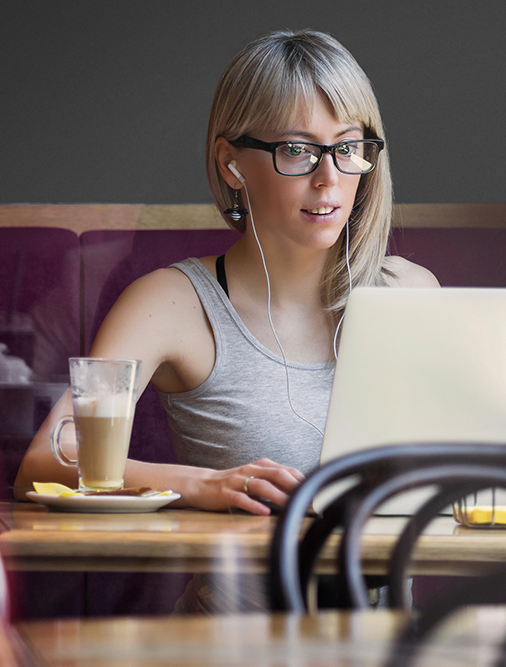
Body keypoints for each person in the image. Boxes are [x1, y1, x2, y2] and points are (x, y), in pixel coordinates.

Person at [14, 29, 439, 518]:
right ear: (231, 163)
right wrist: (203, 484)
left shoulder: (409, 293)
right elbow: (43, 464)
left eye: (348, 147)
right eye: (298, 150)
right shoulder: (171, 305)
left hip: (392, 599)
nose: (329, 178)